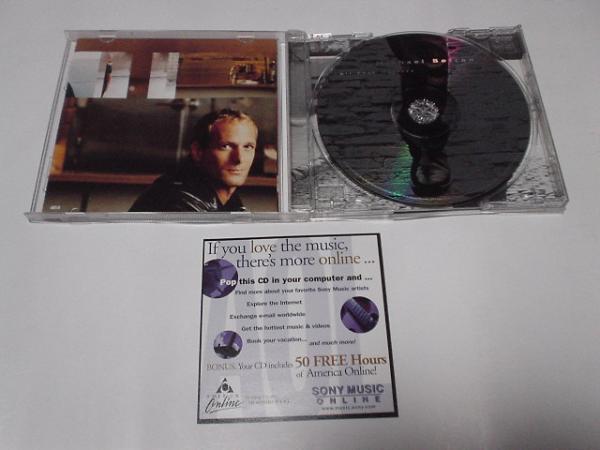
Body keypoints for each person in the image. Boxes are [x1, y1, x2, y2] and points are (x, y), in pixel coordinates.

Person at [129, 109, 258, 212]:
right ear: (197, 151)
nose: (239, 159)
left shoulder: (227, 197)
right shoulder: (179, 202)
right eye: (225, 146)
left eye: (248, 147)